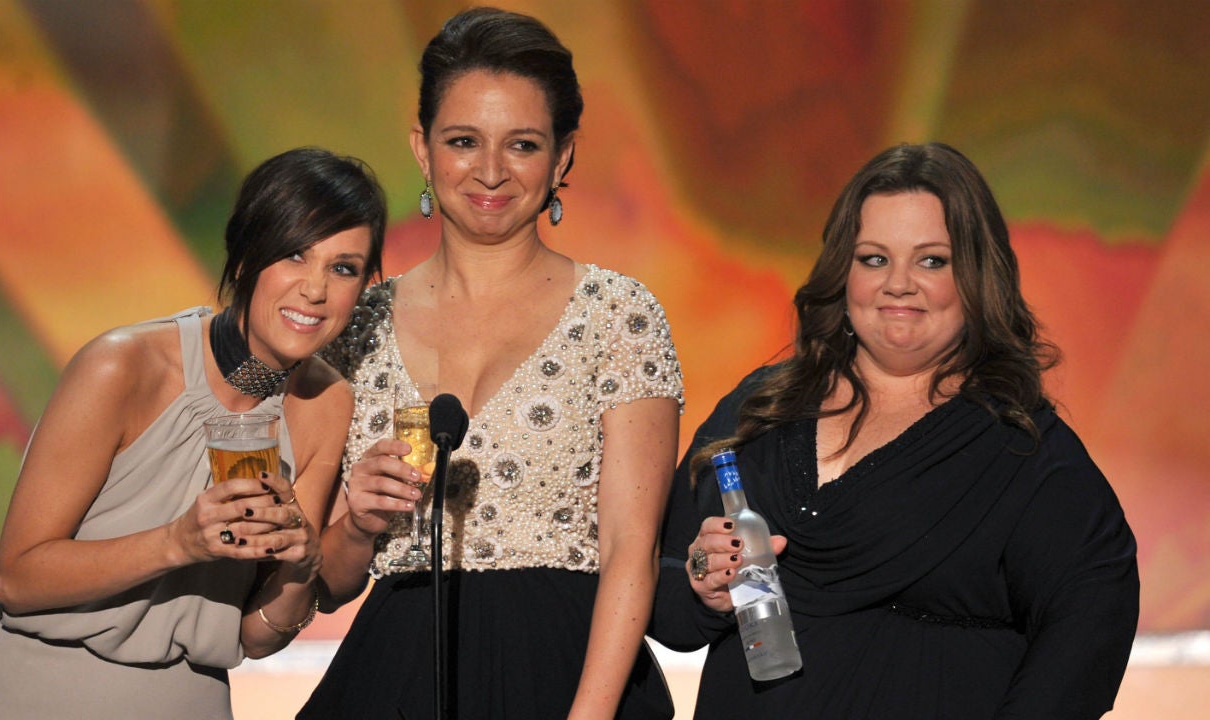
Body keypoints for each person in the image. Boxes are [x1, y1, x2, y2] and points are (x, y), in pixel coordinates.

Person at [649, 143, 1139, 719]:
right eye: (874, 259)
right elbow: (664, 602)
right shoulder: (762, 408)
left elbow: (1089, 632)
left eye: (932, 261)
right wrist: (704, 586)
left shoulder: (1021, 448)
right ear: (843, 272)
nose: (898, 284)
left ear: (977, 276)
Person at [300, 7, 682, 719]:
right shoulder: (356, 326)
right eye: (463, 141)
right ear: (423, 149)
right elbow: (325, 584)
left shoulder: (618, 315)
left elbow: (631, 551)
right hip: (396, 673)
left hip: (566, 671)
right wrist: (357, 522)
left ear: (562, 158)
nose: (490, 171)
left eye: (523, 145)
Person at [0, 147, 388, 720]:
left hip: (190, 698)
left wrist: (300, 564)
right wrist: (178, 542)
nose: (315, 289)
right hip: (38, 691)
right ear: (245, 257)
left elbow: (257, 636)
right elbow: (17, 577)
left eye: (343, 268)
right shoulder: (123, 366)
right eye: (293, 255)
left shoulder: (325, 404)